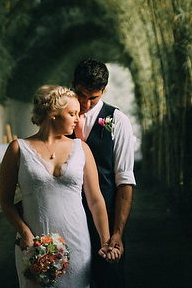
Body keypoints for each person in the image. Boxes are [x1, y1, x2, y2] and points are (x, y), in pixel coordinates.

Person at [0, 85, 119, 287]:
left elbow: (96, 200)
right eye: (72, 113)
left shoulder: (82, 149)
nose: (77, 119)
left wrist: (105, 241)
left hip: (77, 242)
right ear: (53, 114)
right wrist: (24, 232)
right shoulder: (17, 149)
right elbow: (5, 200)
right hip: (34, 244)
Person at [71, 60, 135, 288]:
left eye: (93, 97)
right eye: (80, 95)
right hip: (68, 221)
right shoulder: (59, 120)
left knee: (110, 280)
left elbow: (124, 182)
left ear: (103, 91)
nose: (85, 103)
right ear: (72, 85)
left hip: (105, 222)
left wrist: (117, 233)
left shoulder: (118, 121)